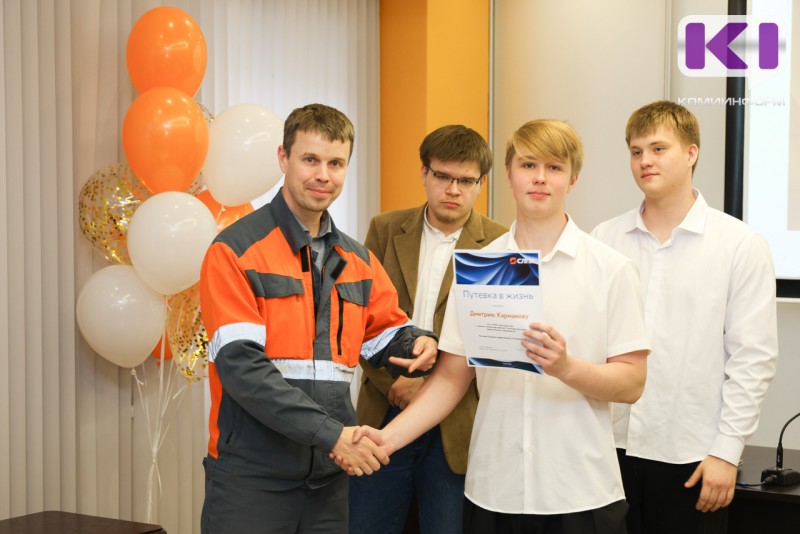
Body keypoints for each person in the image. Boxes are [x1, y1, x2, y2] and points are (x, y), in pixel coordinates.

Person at [344, 119, 651, 534]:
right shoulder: (482, 267)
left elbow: (632, 383)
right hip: (494, 488)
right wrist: (386, 439)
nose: (540, 178)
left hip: (580, 489)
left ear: (573, 178)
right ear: (508, 174)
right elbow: (451, 378)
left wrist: (565, 367)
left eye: (554, 167)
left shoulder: (610, 269)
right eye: (528, 165)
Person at [198, 103, 439, 534]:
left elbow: (386, 331)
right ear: (283, 158)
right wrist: (333, 435)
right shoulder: (234, 251)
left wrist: (418, 342)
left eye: (335, 163)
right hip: (252, 480)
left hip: (328, 483)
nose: (323, 175)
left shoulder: (357, 260)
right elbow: (242, 369)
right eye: (310, 159)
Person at [591, 100, 779, 534]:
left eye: (659, 149)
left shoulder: (739, 244)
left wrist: (727, 451)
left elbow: (752, 359)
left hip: (692, 455)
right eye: (636, 151)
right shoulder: (605, 238)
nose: (645, 161)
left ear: (691, 153)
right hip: (609, 449)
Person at [349, 125, 507, 534]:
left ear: (481, 183)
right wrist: (396, 384)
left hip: (457, 424)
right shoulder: (385, 229)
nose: (453, 190)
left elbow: (498, 344)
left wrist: (433, 389)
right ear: (424, 172)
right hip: (384, 410)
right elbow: (360, 320)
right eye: (443, 176)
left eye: (465, 181)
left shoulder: (502, 245)